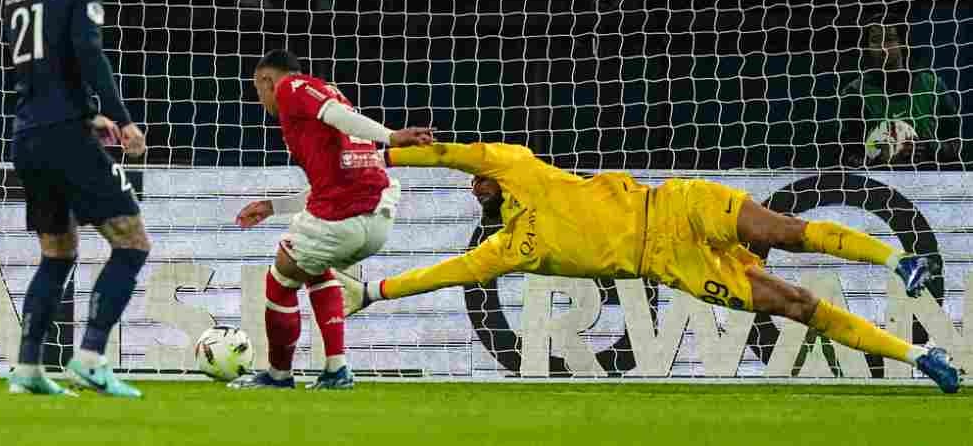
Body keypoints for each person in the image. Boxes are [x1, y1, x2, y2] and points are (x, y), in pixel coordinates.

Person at [336, 141, 962, 393]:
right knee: (794, 306)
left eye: (478, 179)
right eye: (473, 186)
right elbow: (445, 273)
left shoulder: (517, 167)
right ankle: (919, 360)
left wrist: (383, 151)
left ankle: (897, 257)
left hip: (676, 206)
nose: (474, 184)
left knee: (785, 232)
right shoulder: (508, 250)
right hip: (669, 265)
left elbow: (447, 152)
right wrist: (375, 291)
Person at [4, 0, 150, 398]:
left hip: (29, 134)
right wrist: (124, 121)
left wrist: (92, 116)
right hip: (64, 133)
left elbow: (44, 70)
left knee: (58, 252)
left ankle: (27, 368)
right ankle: (90, 356)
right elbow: (87, 52)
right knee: (132, 241)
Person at [227, 50, 432, 390]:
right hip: (377, 218)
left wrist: (391, 135)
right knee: (312, 265)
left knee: (281, 276)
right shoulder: (329, 94)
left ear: (266, 80)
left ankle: (278, 376)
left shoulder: (291, 88)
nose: (261, 100)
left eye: (258, 90)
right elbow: (334, 177)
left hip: (345, 217)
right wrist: (272, 206)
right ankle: (336, 370)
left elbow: (336, 116)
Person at [840, 22, 962, 167]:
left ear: (903, 42)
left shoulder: (932, 85)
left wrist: (931, 148)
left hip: (929, 180)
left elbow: (957, 143)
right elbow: (845, 155)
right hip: (877, 184)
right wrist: (878, 158)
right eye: (875, 40)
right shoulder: (854, 92)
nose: (883, 47)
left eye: (890, 39)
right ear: (867, 46)